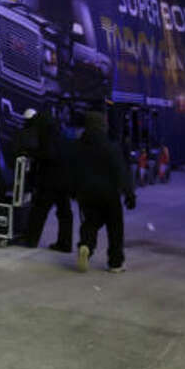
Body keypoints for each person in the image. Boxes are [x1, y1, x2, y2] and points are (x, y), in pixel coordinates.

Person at [73, 111, 136, 273]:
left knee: (90, 222)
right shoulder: (110, 146)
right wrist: (129, 193)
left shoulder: (78, 146)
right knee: (115, 227)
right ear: (103, 126)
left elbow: (70, 169)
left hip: (86, 193)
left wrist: (73, 191)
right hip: (109, 193)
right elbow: (120, 171)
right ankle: (115, 262)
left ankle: (86, 245)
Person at [21, 109, 75, 252]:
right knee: (65, 213)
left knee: (39, 210)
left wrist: (32, 153)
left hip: (50, 179)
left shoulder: (46, 132)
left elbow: (48, 154)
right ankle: (65, 243)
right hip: (65, 179)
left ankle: (30, 240)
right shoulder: (60, 132)